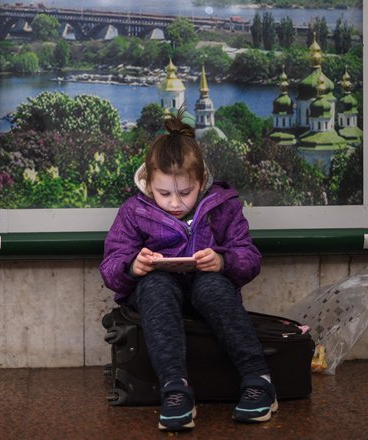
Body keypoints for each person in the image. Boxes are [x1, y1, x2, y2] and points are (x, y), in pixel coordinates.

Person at [99, 109, 277, 432]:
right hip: (157, 296)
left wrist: (223, 261)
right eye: (164, 193)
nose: (175, 203)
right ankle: (175, 390)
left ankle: (258, 379)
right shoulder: (133, 211)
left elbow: (249, 256)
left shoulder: (222, 205)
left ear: (201, 181)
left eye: (185, 192)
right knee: (156, 287)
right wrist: (133, 266)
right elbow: (111, 265)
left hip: (206, 291)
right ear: (149, 182)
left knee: (212, 286)